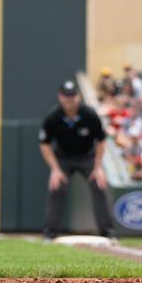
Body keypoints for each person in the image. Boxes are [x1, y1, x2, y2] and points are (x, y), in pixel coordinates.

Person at [40, 79, 114, 240]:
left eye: (72, 96)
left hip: (87, 156)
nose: (69, 99)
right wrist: (55, 169)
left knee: (99, 185)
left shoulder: (89, 114)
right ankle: (50, 233)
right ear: (60, 97)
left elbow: (101, 141)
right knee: (56, 187)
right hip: (63, 158)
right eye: (66, 96)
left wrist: (98, 167)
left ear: (78, 97)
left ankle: (107, 233)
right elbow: (44, 144)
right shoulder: (53, 116)